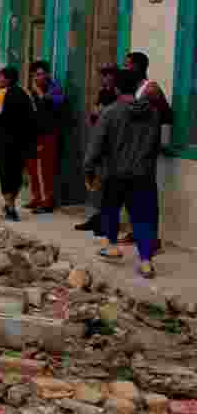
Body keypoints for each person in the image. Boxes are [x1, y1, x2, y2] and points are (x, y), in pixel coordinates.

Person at [84, 69, 161, 278]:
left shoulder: (110, 112)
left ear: (117, 88)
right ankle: (146, 261)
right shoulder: (153, 113)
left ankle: (112, 246)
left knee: (110, 210)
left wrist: (89, 169)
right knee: (143, 218)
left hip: (115, 173)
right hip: (143, 174)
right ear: (136, 87)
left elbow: (96, 144)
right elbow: (155, 145)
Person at [120, 51, 172, 251]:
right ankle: (136, 231)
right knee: (132, 193)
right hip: (131, 149)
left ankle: (152, 238)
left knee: (147, 195)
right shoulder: (131, 89)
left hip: (145, 150)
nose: (125, 69)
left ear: (137, 67)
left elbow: (166, 115)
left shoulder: (150, 89)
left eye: (127, 65)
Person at [0, 66, 37, 222]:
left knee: (5, 174)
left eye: (0, 77)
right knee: (16, 175)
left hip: (4, 142)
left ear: (7, 80)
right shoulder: (25, 94)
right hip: (22, 143)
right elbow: (33, 118)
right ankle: (10, 205)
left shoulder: (0, 95)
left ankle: (10, 207)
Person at [76, 65, 119, 232]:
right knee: (97, 182)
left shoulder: (118, 95)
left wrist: (101, 113)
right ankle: (97, 217)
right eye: (103, 75)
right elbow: (94, 115)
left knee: (108, 183)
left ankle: (106, 220)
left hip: (112, 145)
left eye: (108, 75)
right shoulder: (103, 93)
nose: (105, 78)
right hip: (99, 139)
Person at [25, 60, 65, 214]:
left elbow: (52, 107)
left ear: (47, 74)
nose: (37, 78)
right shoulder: (32, 91)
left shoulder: (55, 90)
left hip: (49, 134)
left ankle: (47, 201)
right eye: (35, 75)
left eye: (40, 74)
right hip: (34, 134)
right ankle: (36, 197)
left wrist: (40, 94)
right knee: (32, 167)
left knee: (47, 169)